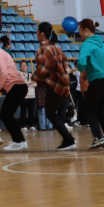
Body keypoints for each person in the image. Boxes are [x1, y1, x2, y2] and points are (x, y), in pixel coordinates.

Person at [32, 23, 76, 151]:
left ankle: (69, 139)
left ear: (41, 33)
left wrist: (33, 79)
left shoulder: (42, 49)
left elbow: (42, 70)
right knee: (57, 112)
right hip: (65, 84)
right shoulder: (56, 46)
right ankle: (67, 138)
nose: (36, 33)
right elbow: (64, 63)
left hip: (55, 84)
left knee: (50, 113)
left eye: (37, 31)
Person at [77, 19, 104, 149]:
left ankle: (99, 138)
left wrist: (82, 70)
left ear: (85, 30)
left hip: (98, 81)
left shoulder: (86, 44)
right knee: (99, 108)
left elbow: (81, 63)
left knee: (88, 110)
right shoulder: (102, 44)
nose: (79, 33)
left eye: (79, 30)